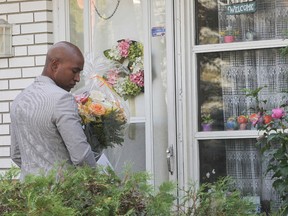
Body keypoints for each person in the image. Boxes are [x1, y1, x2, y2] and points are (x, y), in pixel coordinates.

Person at [10, 41, 96, 180]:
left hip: (28, 192)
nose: (78, 78)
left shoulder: (19, 99)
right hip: (63, 193)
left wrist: (38, 174)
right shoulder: (62, 99)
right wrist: (99, 180)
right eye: (75, 71)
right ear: (55, 65)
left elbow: (15, 154)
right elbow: (81, 156)